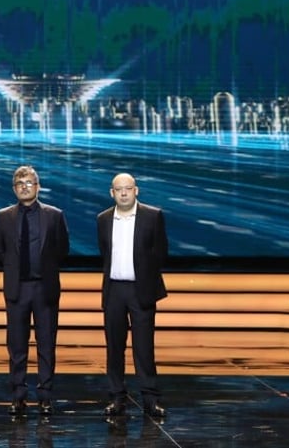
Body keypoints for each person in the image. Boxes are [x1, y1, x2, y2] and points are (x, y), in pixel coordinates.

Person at [0, 165, 70, 415]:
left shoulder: (54, 215)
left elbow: (62, 250)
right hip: (17, 289)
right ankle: (18, 395)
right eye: (19, 184)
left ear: (37, 186)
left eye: (29, 183)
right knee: (16, 346)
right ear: (14, 188)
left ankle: (45, 396)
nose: (24, 187)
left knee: (47, 344)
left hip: (44, 288)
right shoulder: (3, 216)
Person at [97, 172, 168, 419]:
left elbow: (161, 253)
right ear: (112, 193)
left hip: (141, 290)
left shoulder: (153, 216)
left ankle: (151, 400)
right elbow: (105, 253)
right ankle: (117, 398)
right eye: (119, 189)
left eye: (128, 188)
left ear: (136, 190)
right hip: (114, 290)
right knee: (114, 348)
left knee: (144, 348)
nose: (124, 192)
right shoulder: (103, 219)